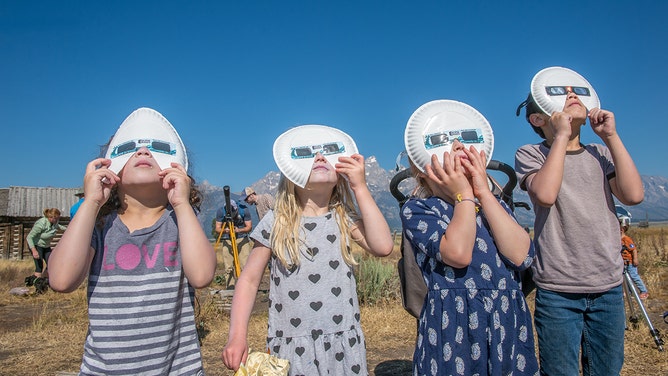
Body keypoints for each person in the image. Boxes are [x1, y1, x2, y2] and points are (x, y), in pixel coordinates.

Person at [48, 107, 216, 375]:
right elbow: (61, 279)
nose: (143, 151)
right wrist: (91, 203)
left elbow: (203, 276)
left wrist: (182, 204)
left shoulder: (181, 222)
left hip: (178, 369)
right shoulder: (99, 226)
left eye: (156, 147)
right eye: (130, 147)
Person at [222, 125, 394, 375]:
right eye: (309, 154)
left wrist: (360, 187)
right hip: (292, 345)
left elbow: (383, 246)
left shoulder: (344, 217)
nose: (320, 157)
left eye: (327, 153)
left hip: (343, 344)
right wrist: (237, 335)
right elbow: (248, 280)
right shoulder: (276, 221)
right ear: (292, 171)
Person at [515, 68, 644, 375]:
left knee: (607, 369)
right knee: (560, 371)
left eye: (576, 91)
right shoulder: (531, 154)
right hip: (558, 290)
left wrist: (611, 136)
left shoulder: (600, 152)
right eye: (562, 93)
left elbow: (634, 195)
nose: (572, 94)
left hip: (608, 286)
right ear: (539, 118)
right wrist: (561, 136)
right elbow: (545, 194)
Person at [401, 140, 538, 372]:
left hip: (504, 319)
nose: (458, 145)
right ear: (424, 169)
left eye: (462, 140)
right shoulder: (419, 209)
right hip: (455, 325)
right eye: (447, 143)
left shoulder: (494, 205)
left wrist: (482, 192)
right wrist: (463, 195)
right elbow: (458, 254)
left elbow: (521, 257)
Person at [25, 207, 67, 291]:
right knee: (39, 266)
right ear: (51, 217)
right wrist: (34, 251)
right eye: (55, 218)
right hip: (37, 246)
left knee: (51, 264)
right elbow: (29, 237)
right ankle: (37, 288)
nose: (57, 219)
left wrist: (69, 229)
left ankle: (43, 282)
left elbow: (58, 226)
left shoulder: (55, 223)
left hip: (46, 246)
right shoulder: (41, 224)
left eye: (58, 218)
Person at [215, 198, 253, 288]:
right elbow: (217, 228)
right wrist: (225, 231)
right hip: (227, 239)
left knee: (244, 263)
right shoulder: (221, 211)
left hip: (241, 238)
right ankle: (230, 286)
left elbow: (249, 227)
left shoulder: (244, 210)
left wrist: (239, 230)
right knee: (228, 265)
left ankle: (245, 286)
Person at [619, 216, 649, 299]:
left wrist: (635, 259)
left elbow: (633, 249)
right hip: (624, 263)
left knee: (634, 277)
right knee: (625, 278)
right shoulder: (619, 239)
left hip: (630, 263)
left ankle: (643, 291)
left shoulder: (626, 239)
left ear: (621, 230)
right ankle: (629, 292)